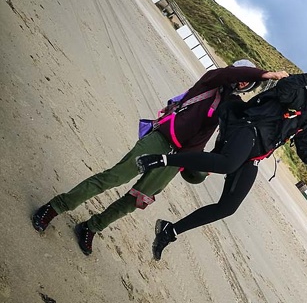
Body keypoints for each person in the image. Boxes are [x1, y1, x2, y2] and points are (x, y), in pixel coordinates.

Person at [31, 60, 289, 255]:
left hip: (180, 158)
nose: (243, 82)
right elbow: (229, 74)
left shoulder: (232, 105)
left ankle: (92, 227)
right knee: (113, 178)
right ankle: (55, 207)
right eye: (242, 77)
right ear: (235, 72)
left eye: (248, 83)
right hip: (162, 138)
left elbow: (243, 128)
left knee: (137, 199)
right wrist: (265, 74)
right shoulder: (211, 80)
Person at [135, 67, 307, 260]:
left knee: (228, 207)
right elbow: (284, 87)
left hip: (255, 155)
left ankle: (169, 230)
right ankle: (161, 160)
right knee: (227, 163)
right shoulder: (298, 94)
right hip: (247, 129)